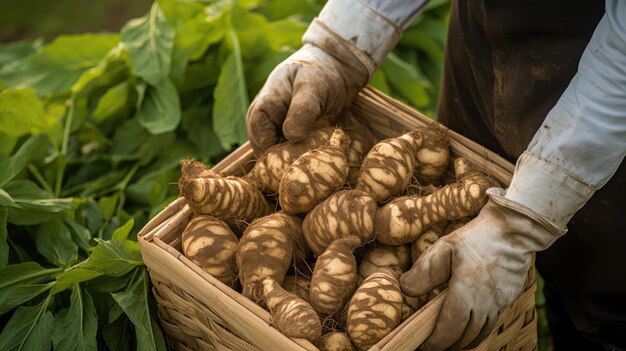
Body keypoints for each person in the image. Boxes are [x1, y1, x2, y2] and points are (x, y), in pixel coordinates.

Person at [245, 0, 626, 350]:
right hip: (483, 43)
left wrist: (518, 226)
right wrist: (339, 44)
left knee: (603, 302)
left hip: (608, 107)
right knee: (464, 216)